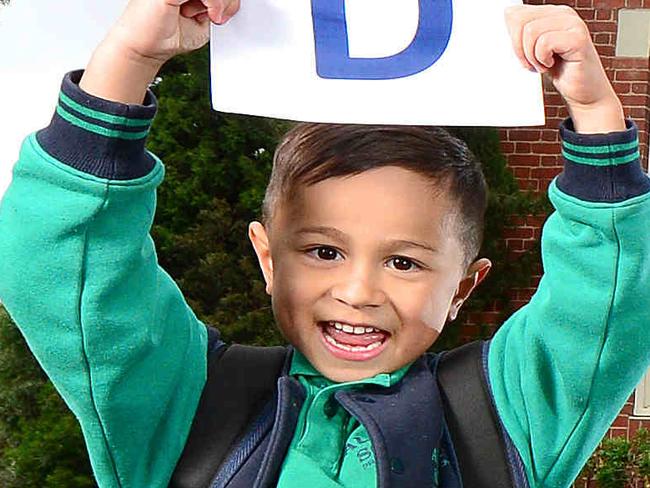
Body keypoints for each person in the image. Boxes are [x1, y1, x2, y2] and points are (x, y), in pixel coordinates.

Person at [0, 1, 648, 487]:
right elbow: (63, 263)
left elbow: (609, 302)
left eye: (403, 261)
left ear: (463, 287)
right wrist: (130, 59)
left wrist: (596, 116)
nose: (358, 291)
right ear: (267, 258)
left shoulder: (504, 416)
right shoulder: (184, 403)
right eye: (324, 252)